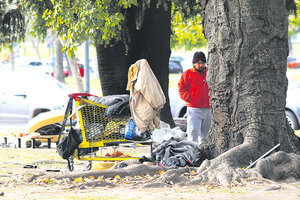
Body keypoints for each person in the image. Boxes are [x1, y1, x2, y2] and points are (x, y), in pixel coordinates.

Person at [178, 51, 212, 144]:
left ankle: (203, 153)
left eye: (203, 63)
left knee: (206, 134)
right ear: (194, 63)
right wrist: (190, 98)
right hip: (194, 108)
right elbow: (181, 88)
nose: (201, 65)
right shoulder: (187, 74)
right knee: (193, 132)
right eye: (198, 63)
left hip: (208, 108)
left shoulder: (210, 72)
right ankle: (191, 152)